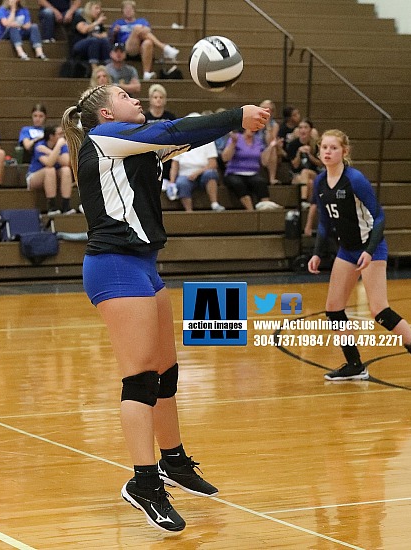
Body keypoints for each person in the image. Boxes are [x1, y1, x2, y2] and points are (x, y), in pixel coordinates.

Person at [61, 84, 270, 533]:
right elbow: (175, 127)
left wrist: (234, 122)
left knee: (165, 372)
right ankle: (144, 482)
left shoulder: (136, 147)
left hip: (144, 265)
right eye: (123, 94)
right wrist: (236, 114)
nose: (134, 97)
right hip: (114, 267)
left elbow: (185, 136)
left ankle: (173, 461)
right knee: (139, 379)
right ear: (104, 112)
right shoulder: (105, 139)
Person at [308, 129, 411, 381]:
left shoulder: (355, 179)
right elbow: (323, 221)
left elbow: (379, 217)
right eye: (324, 147)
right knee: (333, 310)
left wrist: (368, 251)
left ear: (345, 151)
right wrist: (317, 254)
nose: (328, 152)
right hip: (347, 250)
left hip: (371, 248)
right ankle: (355, 365)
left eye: (333, 148)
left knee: (379, 311)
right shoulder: (319, 182)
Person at [110, 0, 179, 80]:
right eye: (126, 9)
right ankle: (164, 48)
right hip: (127, 47)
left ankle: (146, 73)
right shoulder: (119, 23)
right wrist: (114, 32)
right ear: (122, 11)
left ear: (134, 10)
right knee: (137, 28)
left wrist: (141, 30)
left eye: (130, 9)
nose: (128, 11)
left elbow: (148, 31)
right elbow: (111, 38)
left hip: (141, 47)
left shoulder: (141, 21)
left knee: (148, 42)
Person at [169, 113, 225, 212]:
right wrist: (172, 182)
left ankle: (215, 204)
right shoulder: (179, 141)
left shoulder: (208, 139)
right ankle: (189, 211)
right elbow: (175, 164)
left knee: (211, 173)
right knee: (181, 183)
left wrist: (197, 173)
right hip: (185, 174)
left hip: (204, 172)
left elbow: (213, 164)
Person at [221, 129, 281, 211]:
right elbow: (225, 158)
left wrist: (271, 146)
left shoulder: (258, 141)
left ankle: (266, 208)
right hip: (234, 172)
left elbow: (264, 162)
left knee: (261, 182)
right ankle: (251, 211)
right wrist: (233, 144)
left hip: (253, 173)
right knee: (238, 183)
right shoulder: (236, 138)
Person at [26, 125, 75, 215]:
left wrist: (49, 152)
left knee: (66, 170)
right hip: (35, 177)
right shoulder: (39, 146)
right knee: (50, 170)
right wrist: (57, 148)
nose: (62, 136)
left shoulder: (62, 145)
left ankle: (66, 205)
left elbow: (66, 162)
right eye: (59, 134)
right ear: (51, 136)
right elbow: (49, 163)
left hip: (53, 177)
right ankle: (52, 206)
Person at [144, 83, 175, 190]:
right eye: (155, 97)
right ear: (150, 99)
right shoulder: (145, 117)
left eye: (161, 97)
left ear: (165, 100)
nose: (158, 100)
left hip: (167, 148)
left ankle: (169, 180)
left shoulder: (170, 117)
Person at [287, 118, 322, 206]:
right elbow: (295, 166)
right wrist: (299, 153)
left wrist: (309, 155)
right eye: (300, 128)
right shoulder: (293, 145)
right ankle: (310, 205)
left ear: (310, 130)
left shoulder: (316, 144)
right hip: (297, 175)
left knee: (305, 172)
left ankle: (303, 200)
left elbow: (321, 164)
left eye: (305, 127)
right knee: (309, 182)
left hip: (313, 173)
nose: (303, 130)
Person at [70, 1, 111, 74]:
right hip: (79, 44)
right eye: (96, 8)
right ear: (89, 9)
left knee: (105, 41)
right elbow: (84, 30)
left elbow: (105, 34)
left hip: (96, 44)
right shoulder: (80, 17)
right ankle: (94, 69)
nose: (99, 11)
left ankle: (108, 66)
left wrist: (99, 35)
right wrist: (96, 23)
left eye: (99, 9)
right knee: (94, 40)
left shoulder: (97, 21)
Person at [257, 99, 284, 185]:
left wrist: (268, 126)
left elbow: (270, 142)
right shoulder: (254, 121)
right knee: (272, 148)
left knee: (272, 147)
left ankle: (272, 178)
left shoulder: (274, 125)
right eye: (263, 108)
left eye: (268, 109)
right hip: (255, 147)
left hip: (266, 149)